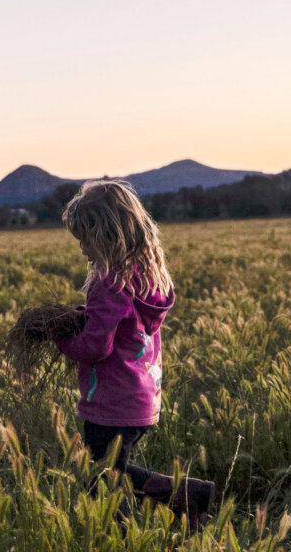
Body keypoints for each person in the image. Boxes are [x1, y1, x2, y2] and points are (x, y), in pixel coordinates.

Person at [55, 179, 214, 528]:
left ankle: (163, 507)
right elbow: (123, 327)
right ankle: (184, 511)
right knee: (113, 469)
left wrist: (62, 340)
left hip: (110, 400)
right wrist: (87, 317)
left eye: (85, 239)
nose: (82, 248)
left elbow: (97, 346)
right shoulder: (147, 276)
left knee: (101, 474)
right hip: (141, 397)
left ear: (107, 234)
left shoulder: (108, 282)